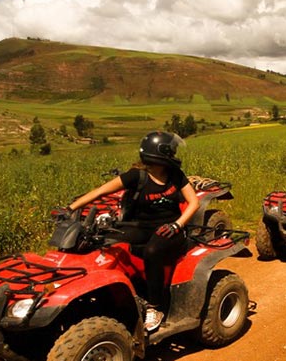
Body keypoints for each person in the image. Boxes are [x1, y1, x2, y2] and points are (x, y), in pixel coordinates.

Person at [67, 131, 198, 332]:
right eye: (171, 150)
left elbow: (194, 202)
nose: (174, 153)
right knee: (104, 241)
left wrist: (177, 225)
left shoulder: (175, 175)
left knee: (152, 251)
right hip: (141, 227)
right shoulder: (137, 176)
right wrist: (70, 208)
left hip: (171, 228)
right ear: (160, 153)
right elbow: (101, 191)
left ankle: (156, 307)